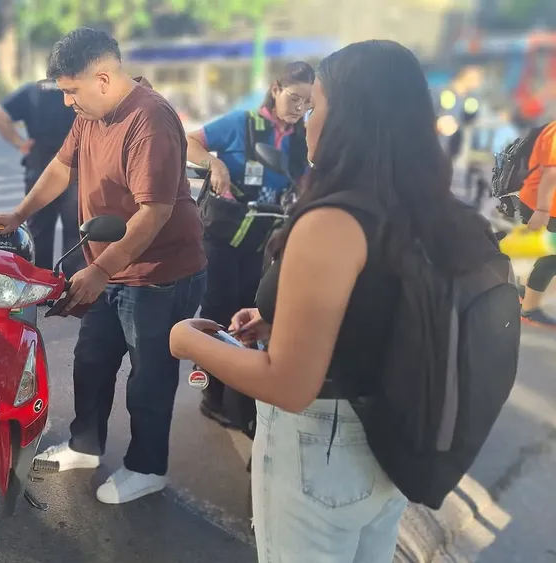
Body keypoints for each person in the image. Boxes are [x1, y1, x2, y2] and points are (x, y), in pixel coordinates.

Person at [169, 40, 500, 561]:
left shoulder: (333, 221)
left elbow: (288, 385)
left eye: (316, 104)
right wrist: (281, 320)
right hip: (389, 443)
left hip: (320, 449)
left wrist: (189, 342)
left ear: (349, 117)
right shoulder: (435, 210)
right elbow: (385, 309)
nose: (306, 121)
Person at [0, 28, 207, 505]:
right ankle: (85, 446)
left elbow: (155, 212)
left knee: (149, 376)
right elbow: (60, 168)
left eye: (71, 90)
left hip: (158, 274)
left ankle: (148, 468)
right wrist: (20, 215)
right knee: (91, 359)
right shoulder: (90, 115)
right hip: (110, 267)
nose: (67, 102)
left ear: (102, 79)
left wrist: (101, 270)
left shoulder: (149, 119)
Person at [185, 61, 313, 433]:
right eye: (294, 97)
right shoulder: (241, 124)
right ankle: (211, 395)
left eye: (308, 102)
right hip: (223, 237)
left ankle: (237, 395)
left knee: (251, 314)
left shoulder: (301, 139)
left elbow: (306, 182)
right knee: (216, 311)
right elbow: (190, 141)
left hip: (264, 242)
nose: (299, 108)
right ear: (275, 89)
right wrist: (215, 164)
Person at [0, 79, 80, 274]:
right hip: (76, 167)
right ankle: (73, 286)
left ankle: (40, 283)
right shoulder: (78, 90)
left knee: (39, 232)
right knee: (76, 234)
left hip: (39, 167)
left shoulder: (34, 90)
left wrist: (20, 143)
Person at [516, 119, 556, 327]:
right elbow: (551, 173)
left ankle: (526, 290)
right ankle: (529, 309)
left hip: (546, 204)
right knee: (553, 257)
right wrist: (542, 211)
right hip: (544, 205)